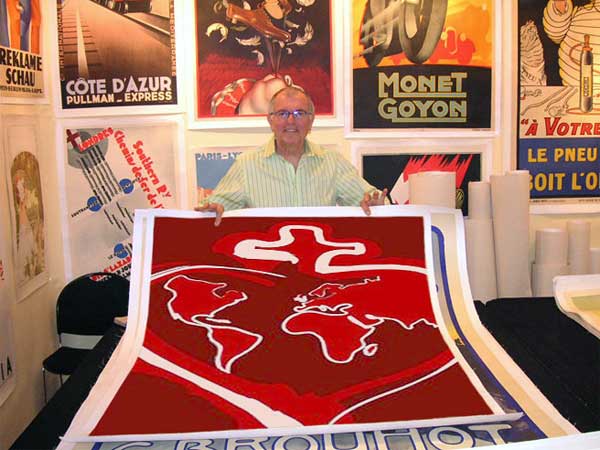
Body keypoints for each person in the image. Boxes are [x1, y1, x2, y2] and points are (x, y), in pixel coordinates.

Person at [197, 86, 387, 225]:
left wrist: (375, 203)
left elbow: (368, 200)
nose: (290, 121)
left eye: (299, 113)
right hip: (268, 261)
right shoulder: (246, 165)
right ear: (270, 120)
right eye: (282, 113)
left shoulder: (333, 162)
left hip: (319, 261)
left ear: (311, 120)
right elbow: (214, 207)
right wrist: (210, 209)